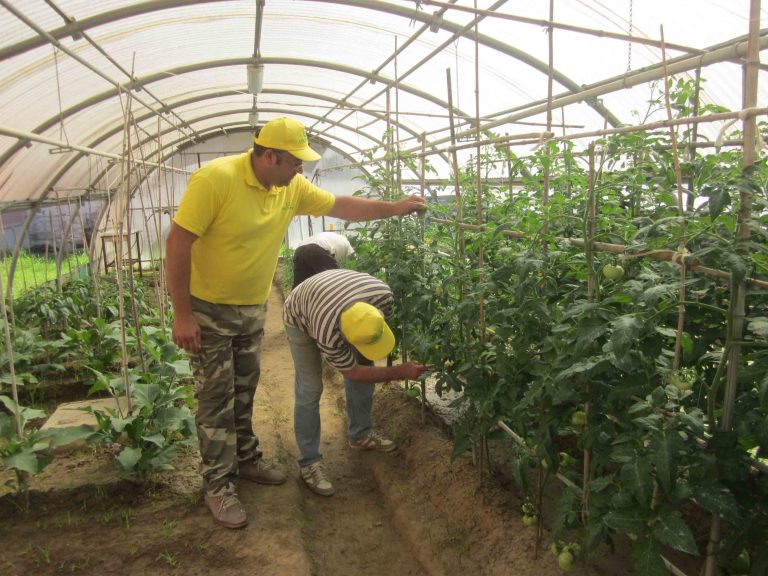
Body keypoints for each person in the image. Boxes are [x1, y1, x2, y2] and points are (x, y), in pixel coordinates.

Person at [166, 116, 426, 529]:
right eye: (294, 163)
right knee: (214, 398)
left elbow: (342, 206)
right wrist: (183, 314)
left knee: (244, 389)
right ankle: (218, 485)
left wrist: (394, 209)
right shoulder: (214, 180)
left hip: (251, 308)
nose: (300, 171)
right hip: (208, 308)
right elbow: (178, 242)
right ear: (269, 157)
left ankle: (247, 459)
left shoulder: (290, 187)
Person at [282, 268, 429, 497]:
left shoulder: (383, 296)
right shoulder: (327, 332)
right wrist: (400, 371)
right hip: (301, 311)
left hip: (337, 293)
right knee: (310, 388)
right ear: (344, 337)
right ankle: (309, 461)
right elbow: (353, 373)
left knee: (366, 365)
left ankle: (361, 435)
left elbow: (367, 351)